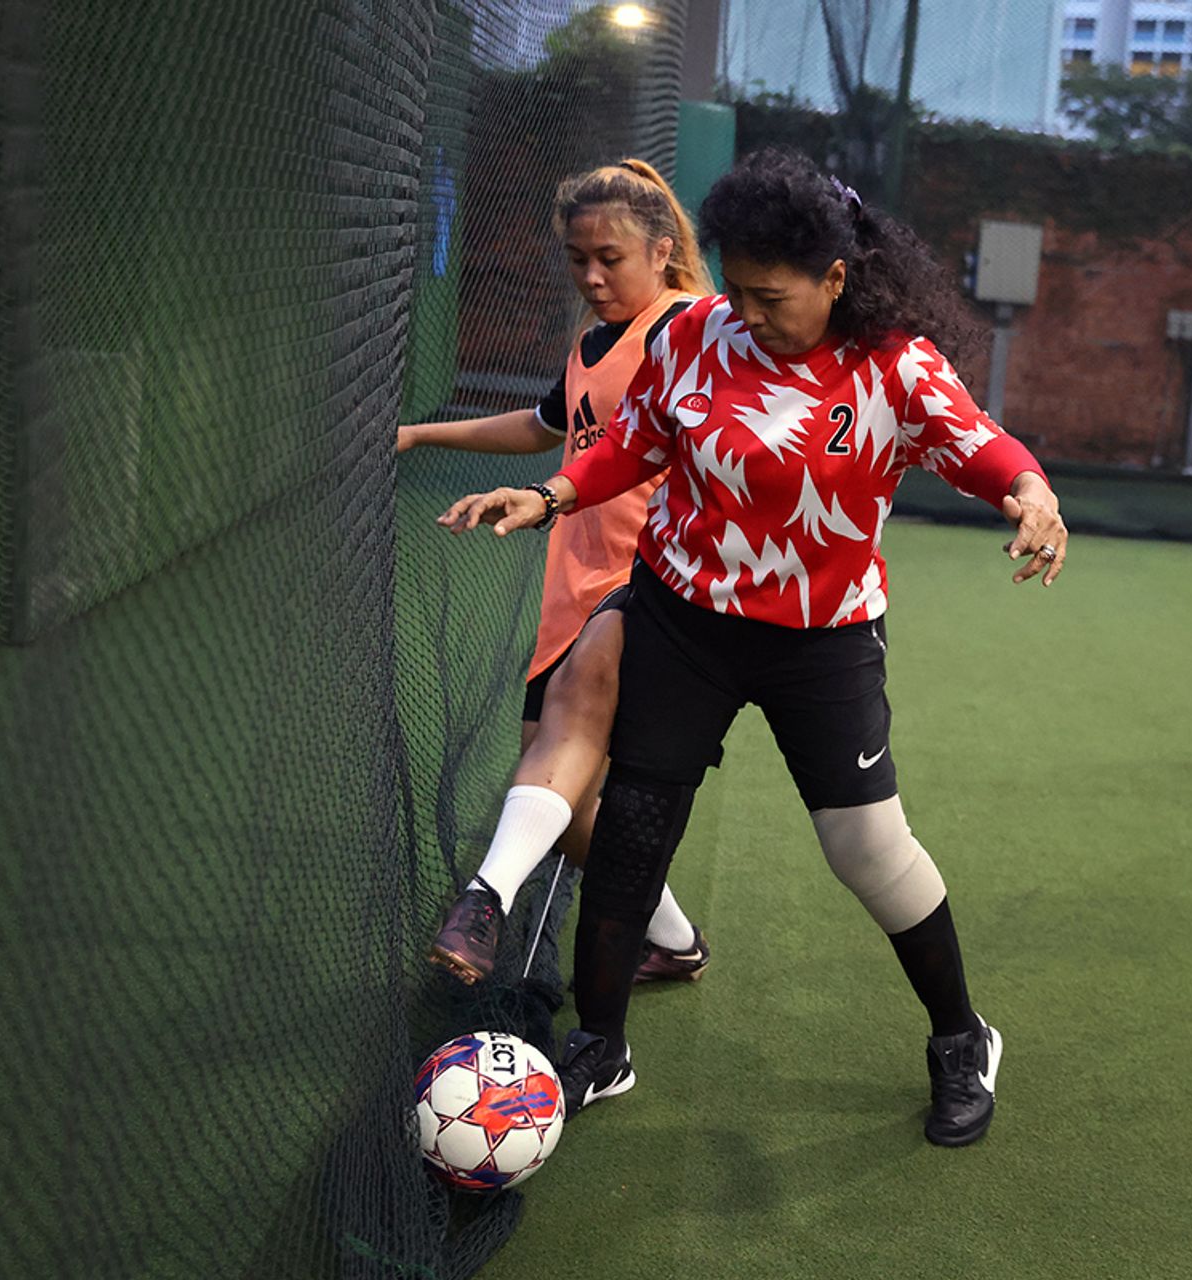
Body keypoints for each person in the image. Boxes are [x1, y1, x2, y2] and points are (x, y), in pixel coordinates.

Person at [437, 149, 1067, 1147]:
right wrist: (551, 493)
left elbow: (981, 445)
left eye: (772, 297)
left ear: (835, 278)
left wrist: (1031, 494)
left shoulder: (894, 365)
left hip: (823, 640)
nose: (749, 313)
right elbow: (634, 442)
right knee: (634, 823)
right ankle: (601, 1043)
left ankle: (961, 1036)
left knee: (864, 846)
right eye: (737, 289)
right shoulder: (695, 334)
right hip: (684, 618)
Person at [406, 160, 715, 990]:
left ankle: (485, 901)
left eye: (610, 258)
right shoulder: (594, 341)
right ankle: (675, 939)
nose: (591, 275)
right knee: (566, 807)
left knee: (556, 761)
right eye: (578, 258)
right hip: (571, 588)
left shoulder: (689, 329)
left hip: (644, 590)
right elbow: (548, 425)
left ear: (661, 250)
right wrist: (420, 435)